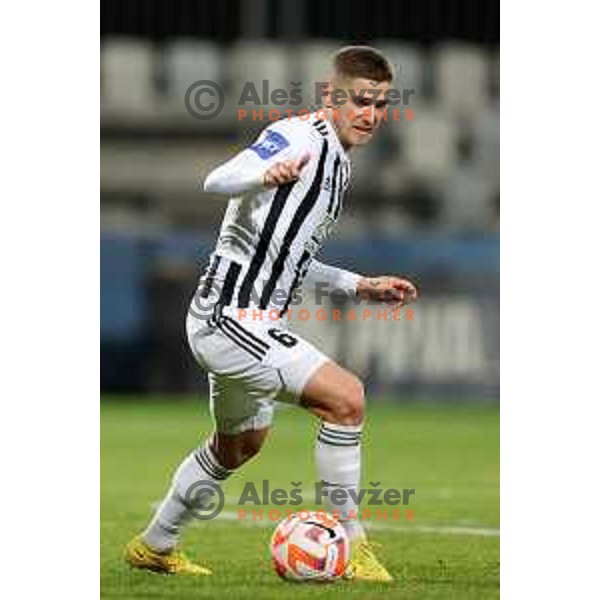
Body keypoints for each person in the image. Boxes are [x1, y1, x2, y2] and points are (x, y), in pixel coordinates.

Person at [125, 45, 418, 582]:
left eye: (380, 105)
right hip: (230, 318)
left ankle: (155, 545)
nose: (370, 115)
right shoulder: (300, 136)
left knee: (237, 447)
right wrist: (261, 176)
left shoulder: (339, 165)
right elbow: (217, 180)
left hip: (244, 321)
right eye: (360, 101)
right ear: (331, 96)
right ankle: (351, 547)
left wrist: (359, 285)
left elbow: (292, 258)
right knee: (346, 399)